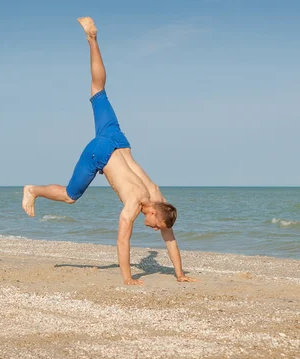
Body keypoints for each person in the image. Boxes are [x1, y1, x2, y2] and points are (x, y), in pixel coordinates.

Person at [22, 17, 196, 286]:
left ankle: (92, 38)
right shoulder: (136, 202)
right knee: (69, 196)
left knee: (98, 90)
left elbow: (170, 238)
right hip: (101, 152)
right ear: (154, 213)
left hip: (119, 141)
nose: (152, 228)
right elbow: (122, 239)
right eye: (154, 224)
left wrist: (180, 274)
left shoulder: (158, 196)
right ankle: (33, 189)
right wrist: (128, 278)